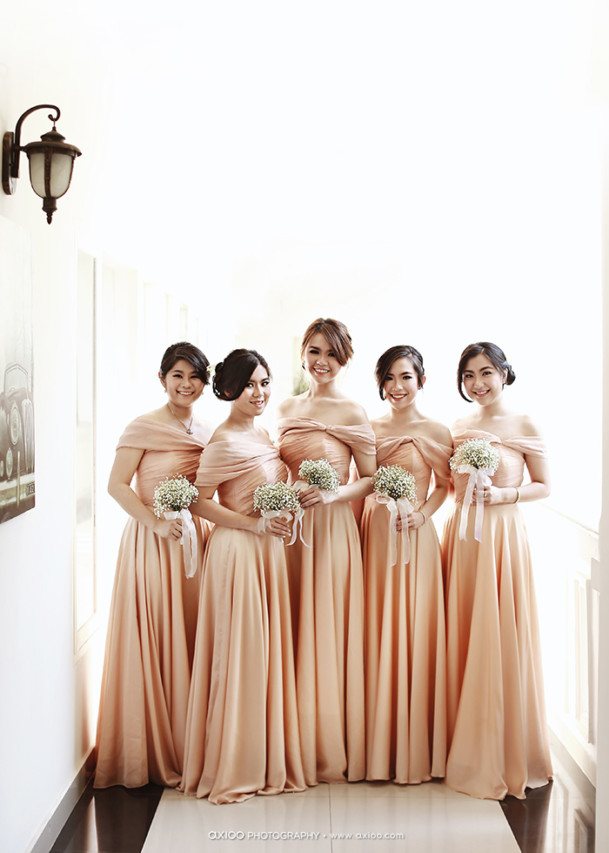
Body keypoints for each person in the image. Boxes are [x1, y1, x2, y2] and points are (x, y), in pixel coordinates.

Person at [180, 349, 306, 804]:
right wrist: (254, 525)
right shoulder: (224, 440)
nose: (259, 393)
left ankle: (263, 753)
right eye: (249, 384)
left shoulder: (263, 433)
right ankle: (235, 762)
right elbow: (199, 501)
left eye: (265, 383)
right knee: (240, 653)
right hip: (237, 551)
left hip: (268, 551)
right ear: (229, 388)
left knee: (263, 653)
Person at [94, 342, 213, 789]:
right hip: (153, 542)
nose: (186, 384)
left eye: (195, 376)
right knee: (158, 633)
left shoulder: (208, 431)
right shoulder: (143, 426)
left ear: (205, 383)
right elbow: (116, 485)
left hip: (196, 541)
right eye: (177, 375)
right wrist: (156, 523)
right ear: (162, 379)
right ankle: (151, 747)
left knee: (193, 634)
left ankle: (193, 744)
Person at [443, 342, 552, 799]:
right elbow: (450, 487)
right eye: (468, 375)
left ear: (504, 372)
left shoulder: (524, 423)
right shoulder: (458, 427)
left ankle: (504, 747)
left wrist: (505, 495)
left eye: (486, 372)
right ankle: (460, 743)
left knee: (501, 633)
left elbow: (544, 485)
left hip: (503, 535)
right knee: (465, 632)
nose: (478, 383)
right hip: (463, 536)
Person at [276, 318, 376, 785]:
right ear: (303, 352)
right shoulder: (285, 406)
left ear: (344, 360)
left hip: (333, 529)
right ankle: (287, 737)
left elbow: (370, 478)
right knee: (291, 625)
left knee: (327, 626)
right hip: (289, 528)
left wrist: (333, 494)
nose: (322, 362)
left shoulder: (353, 412)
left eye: (332, 355)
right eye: (315, 351)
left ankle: (326, 740)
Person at [362, 345, 452, 784]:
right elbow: (360, 482)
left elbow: (445, 486)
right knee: (376, 625)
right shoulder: (369, 428)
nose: (397, 387)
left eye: (406, 377)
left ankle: (417, 743)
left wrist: (422, 514)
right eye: (389, 378)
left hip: (416, 535)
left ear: (421, 381)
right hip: (377, 534)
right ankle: (375, 742)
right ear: (381, 383)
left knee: (417, 627)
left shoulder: (436, 430)